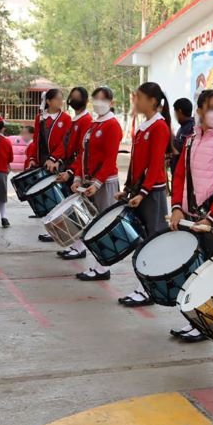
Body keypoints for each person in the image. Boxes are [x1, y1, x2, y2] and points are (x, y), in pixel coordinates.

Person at [170, 89, 213, 342]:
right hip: (191, 216)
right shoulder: (191, 139)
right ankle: (199, 321)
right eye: (211, 107)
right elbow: (179, 175)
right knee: (196, 272)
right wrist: (177, 206)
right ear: (199, 110)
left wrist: (211, 218)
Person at [116, 82, 172, 308]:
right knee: (144, 240)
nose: (135, 101)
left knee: (153, 242)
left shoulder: (159, 127)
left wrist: (143, 191)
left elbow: (155, 163)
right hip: (141, 191)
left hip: (153, 193)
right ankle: (144, 286)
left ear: (152, 101)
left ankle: (150, 289)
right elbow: (136, 164)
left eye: (138, 97)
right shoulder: (143, 126)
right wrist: (128, 188)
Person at [69, 86, 123, 282]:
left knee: (103, 226)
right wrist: (77, 177)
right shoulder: (94, 124)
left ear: (111, 102)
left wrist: (98, 183)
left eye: (103, 99)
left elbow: (110, 159)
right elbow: (83, 154)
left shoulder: (112, 126)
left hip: (105, 183)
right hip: (88, 181)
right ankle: (97, 263)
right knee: (90, 224)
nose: (99, 102)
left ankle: (102, 267)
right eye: (96, 98)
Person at [27, 89, 71, 243]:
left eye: (62, 99)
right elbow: (36, 139)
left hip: (56, 162)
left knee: (59, 198)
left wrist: (54, 158)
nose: (61, 102)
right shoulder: (40, 118)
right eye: (58, 99)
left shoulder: (65, 118)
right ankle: (52, 229)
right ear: (48, 101)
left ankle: (60, 230)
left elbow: (65, 142)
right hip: (42, 162)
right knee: (47, 199)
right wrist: (32, 157)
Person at [55, 87, 93, 259]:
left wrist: (72, 172)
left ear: (84, 100)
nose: (73, 99)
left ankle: (80, 247)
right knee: (73, 210)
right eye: (72, 96)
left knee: (80, 210)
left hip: (78, 170)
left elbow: (82, 151)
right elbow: (66, 146)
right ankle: (76, 245)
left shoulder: (86, 121)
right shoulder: (74, 120)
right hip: (70, 168)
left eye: (77, 97)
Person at [170, 98, 195, 176]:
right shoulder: (183, 127)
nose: (175, 116)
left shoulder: (191, 128)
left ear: (179, 112)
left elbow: (180, 150)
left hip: (184, 175)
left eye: (175, 113)